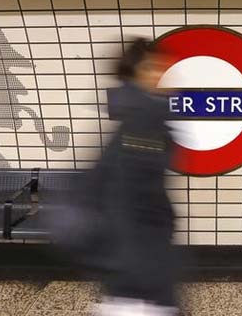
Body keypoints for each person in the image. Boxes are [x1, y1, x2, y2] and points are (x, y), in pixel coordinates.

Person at [83, 38, 178, 315]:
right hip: (137, 270)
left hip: (133, 264)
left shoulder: (139, 118)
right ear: (137, 72)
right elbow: (132, 203)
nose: (162, 74)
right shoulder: (142, 125)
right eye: (154, 67)